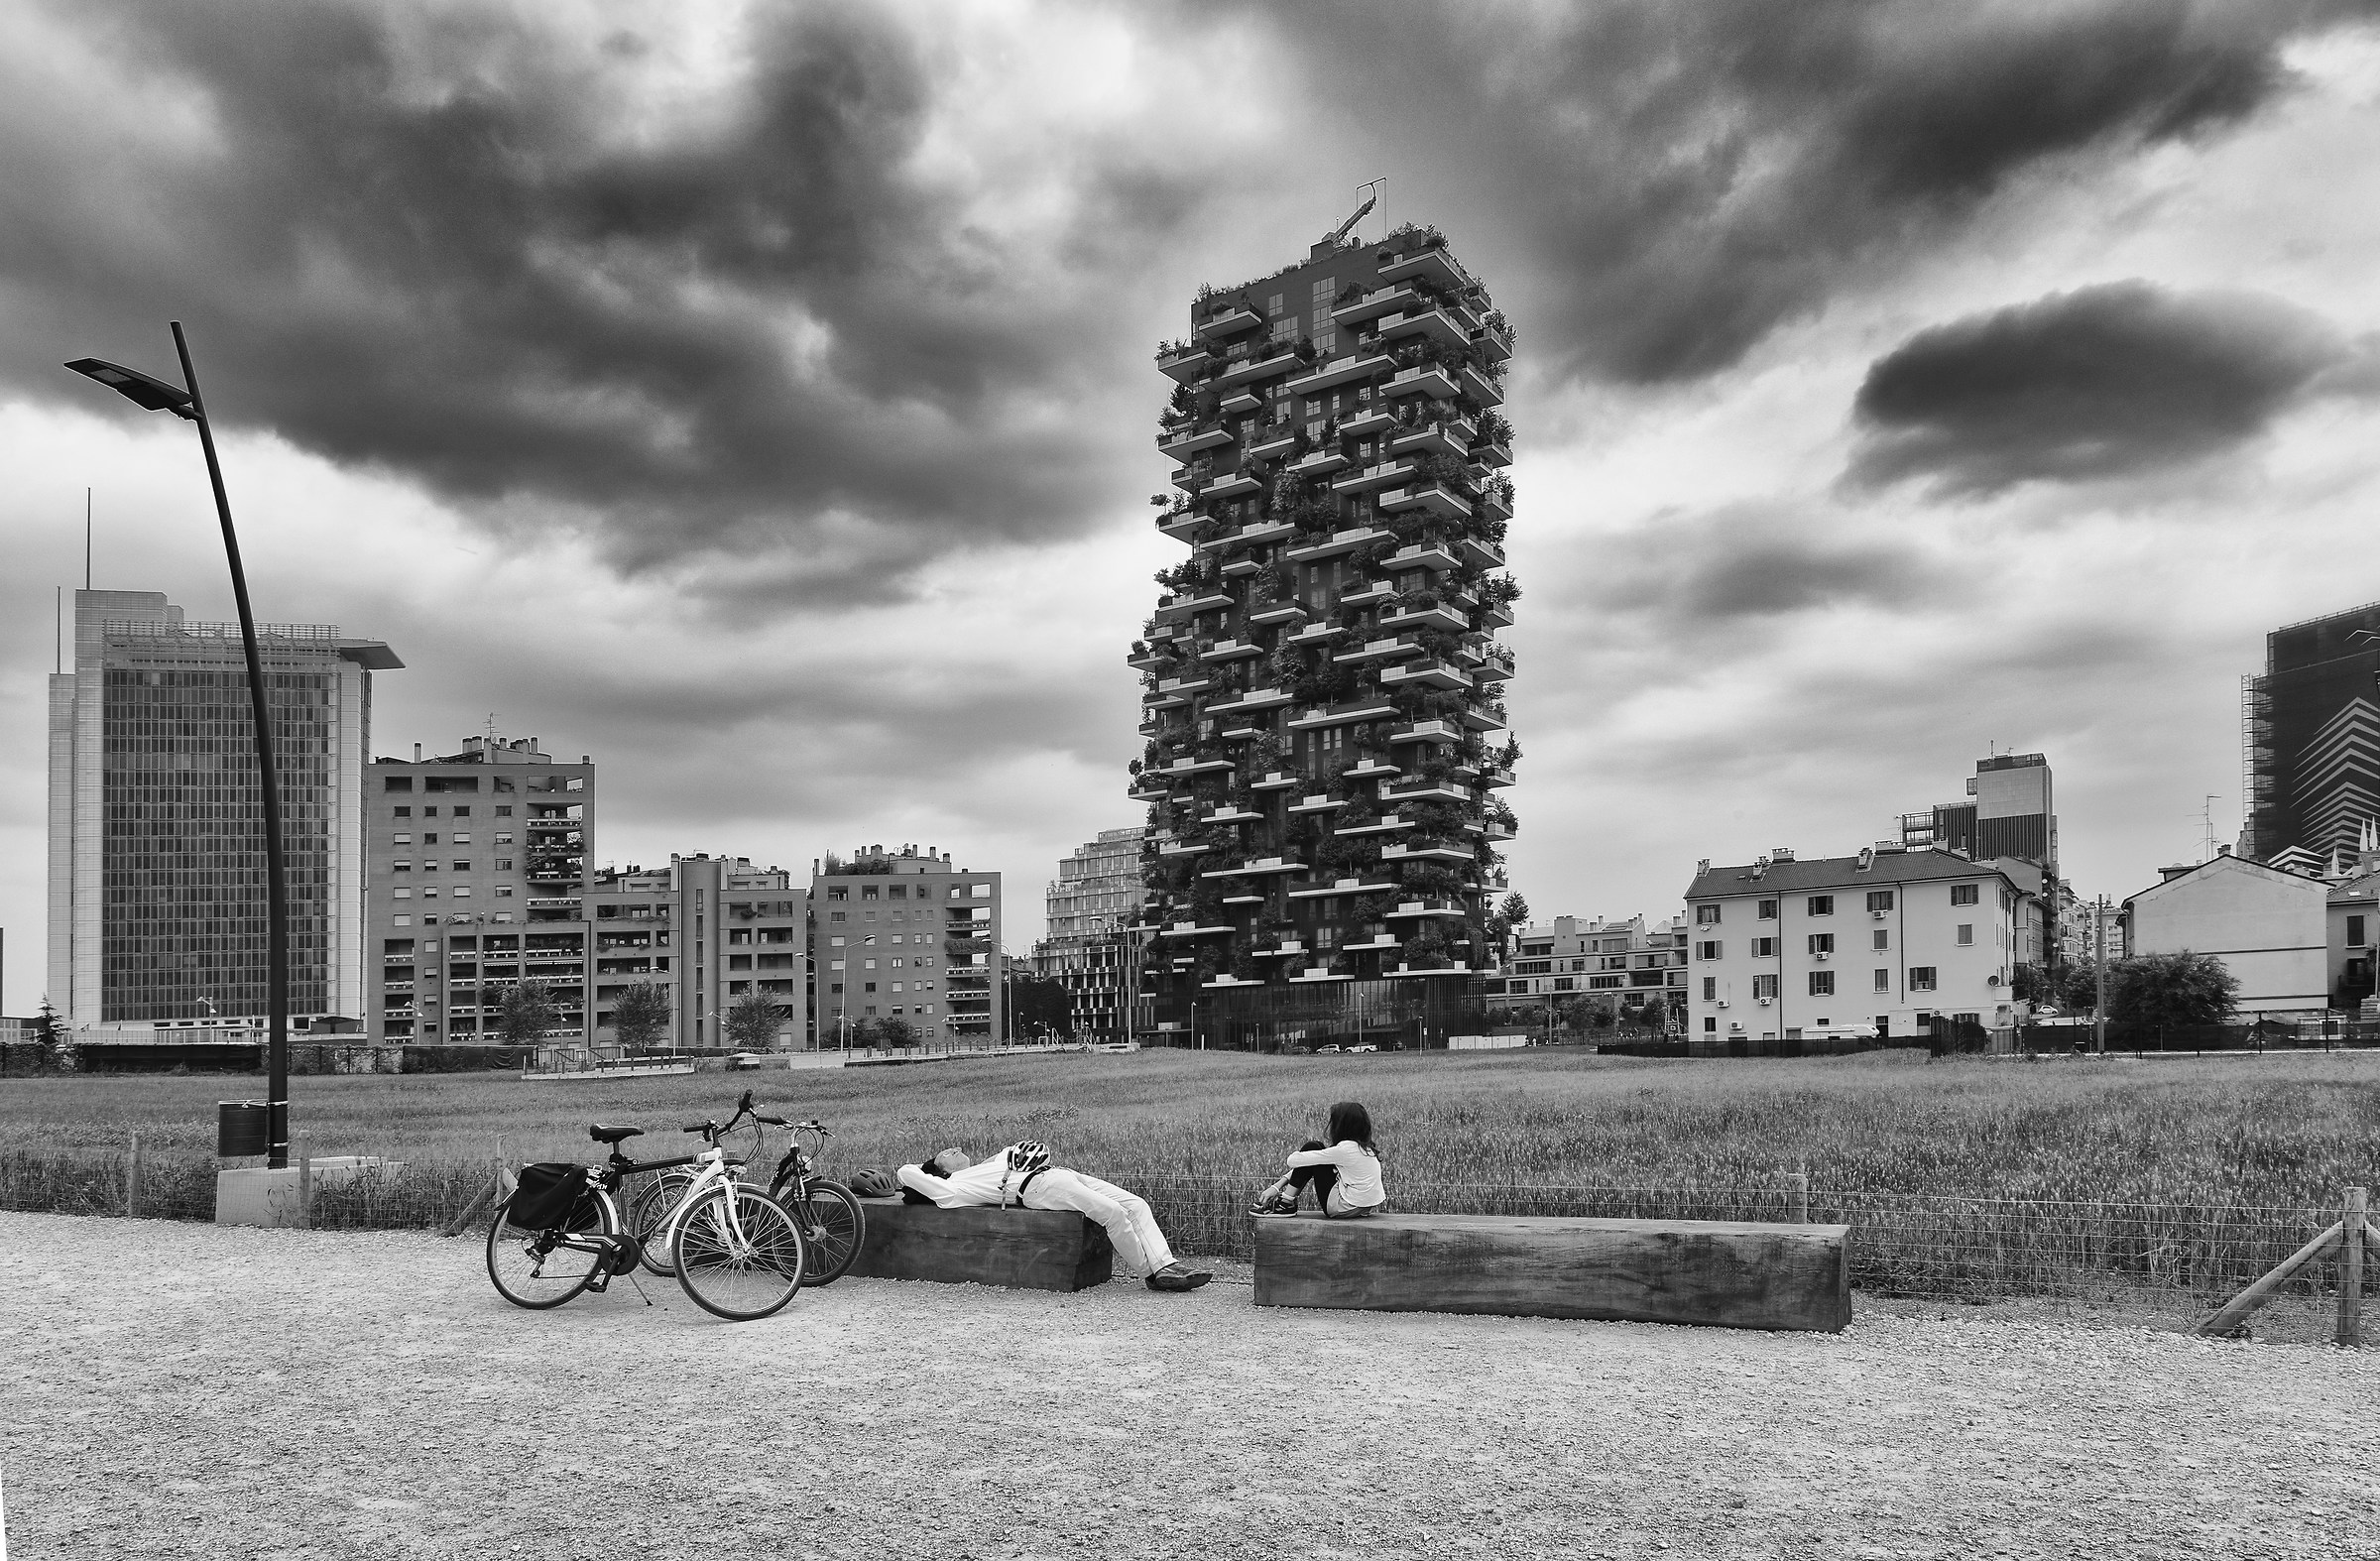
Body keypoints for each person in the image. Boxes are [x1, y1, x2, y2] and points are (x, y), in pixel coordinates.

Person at [895, 1141, 1213, 1291]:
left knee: (1137, 1205)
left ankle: (1165, 1264)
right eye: (944, 1156)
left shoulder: (988, 1164)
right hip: (1039, 1188)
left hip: (1059, 1174)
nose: (951, 1150)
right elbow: (905, 1172)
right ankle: (1153, 1274)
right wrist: (930, 1171)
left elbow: (1023, 1149)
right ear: (939, 1172)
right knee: (1114, 1214)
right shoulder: (953, 1187)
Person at [1250, 1101, 1386, 1218]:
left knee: (1312, 1146)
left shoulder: (1344, 1150)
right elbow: (1313, 1164)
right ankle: (1286, 1200)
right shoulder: (1364, 1148)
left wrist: (1278, 1185)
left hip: (1342, 1207)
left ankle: (1285, 1203)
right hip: (1363, 1207)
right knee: (1317, 1153)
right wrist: (1277, 1186)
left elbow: (1292, 1161)